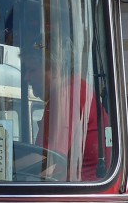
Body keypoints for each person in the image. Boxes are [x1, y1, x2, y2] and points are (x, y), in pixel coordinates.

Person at [19, 45, 108, 181]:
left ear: (55, 70)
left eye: (32, 70)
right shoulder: (75, 89)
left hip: (79, 188)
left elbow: (48, 163)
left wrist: (0, 167)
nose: (26, 78)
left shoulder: (66, 96)